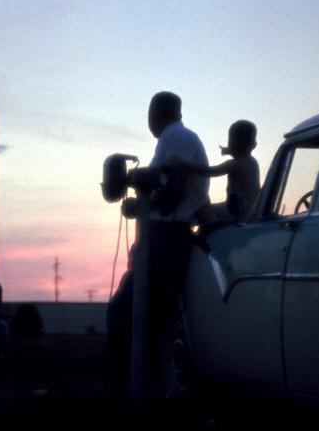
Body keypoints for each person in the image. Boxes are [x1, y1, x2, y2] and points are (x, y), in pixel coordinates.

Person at [106, 91, 209, 394]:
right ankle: (142, 386)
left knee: (127, 310)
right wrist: (141, 203)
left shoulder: (176, 138)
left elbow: (172, 194)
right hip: (163, 234)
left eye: (150, 113)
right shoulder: (173, 139)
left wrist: (143, 199)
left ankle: (128, 389)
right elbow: (167, 189)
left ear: (156, 113)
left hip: (167, 236)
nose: (149, 119)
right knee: (146, 314)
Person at [167, 120, 260, 223]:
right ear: (254, 144)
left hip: (239, 209)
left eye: (232, 141)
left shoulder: (235, 163)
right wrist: (228, 150)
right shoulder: (252, 162)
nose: (231, 145)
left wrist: (183, 163)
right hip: (251, 207)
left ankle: (214, 225)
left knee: (200, 208)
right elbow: (239, 150)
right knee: (207, 204)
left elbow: (209, 171)